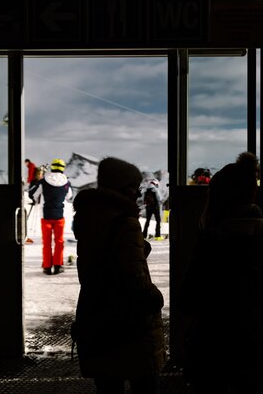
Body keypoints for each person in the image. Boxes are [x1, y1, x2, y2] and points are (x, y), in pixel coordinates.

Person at [178, 155, 263, 394]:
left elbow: (188, 298)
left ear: (217, 199)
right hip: (258, 344)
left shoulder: (211, 242)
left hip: (213, 347)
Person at [71, 156, 166, 394]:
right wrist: (154, 298)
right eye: (134, 188)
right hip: (129, 320)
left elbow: (100, 260)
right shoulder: (125, 222)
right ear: (124, 188)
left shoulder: (88, 217)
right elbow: (134, 277)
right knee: (144, 383)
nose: (137, 194)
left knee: (108, 384)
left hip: (95, 311)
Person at [29, 158, 73, 275]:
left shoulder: (43, 181)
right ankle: (58, 265)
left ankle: (47, 267)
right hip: (59, 216)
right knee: (59, 242)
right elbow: (69, 197)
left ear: (52, 167)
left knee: (47, 242)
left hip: (46, 216)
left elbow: (32, 193)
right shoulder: (66, 183)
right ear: (63, 168)